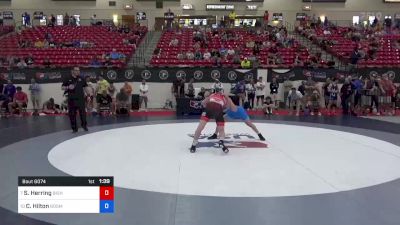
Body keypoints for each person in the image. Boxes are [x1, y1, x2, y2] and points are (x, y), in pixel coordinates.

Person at [190, 89, 231, 153]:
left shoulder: (213, 95)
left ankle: (194, 144)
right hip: (217, 110)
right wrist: (226, 98)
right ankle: (221, 142)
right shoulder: (222, 97)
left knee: (200, 127)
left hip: (210, 109)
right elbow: (226, 107)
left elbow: (203, 102)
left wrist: (202, 105)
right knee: (221, 129)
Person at [61, 67, 88, 133]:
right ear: (72, 71)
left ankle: (84, 126)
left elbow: (85, 87)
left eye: (79, 70)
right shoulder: (68, 78)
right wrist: (67, 87)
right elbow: (62, 87)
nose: (78, 72)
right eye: (76, 70)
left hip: (81, 99)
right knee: (72, 114)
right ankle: (74, 128)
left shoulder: (81, 78)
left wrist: (88, 95)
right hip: (72, 99)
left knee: (83, 114)